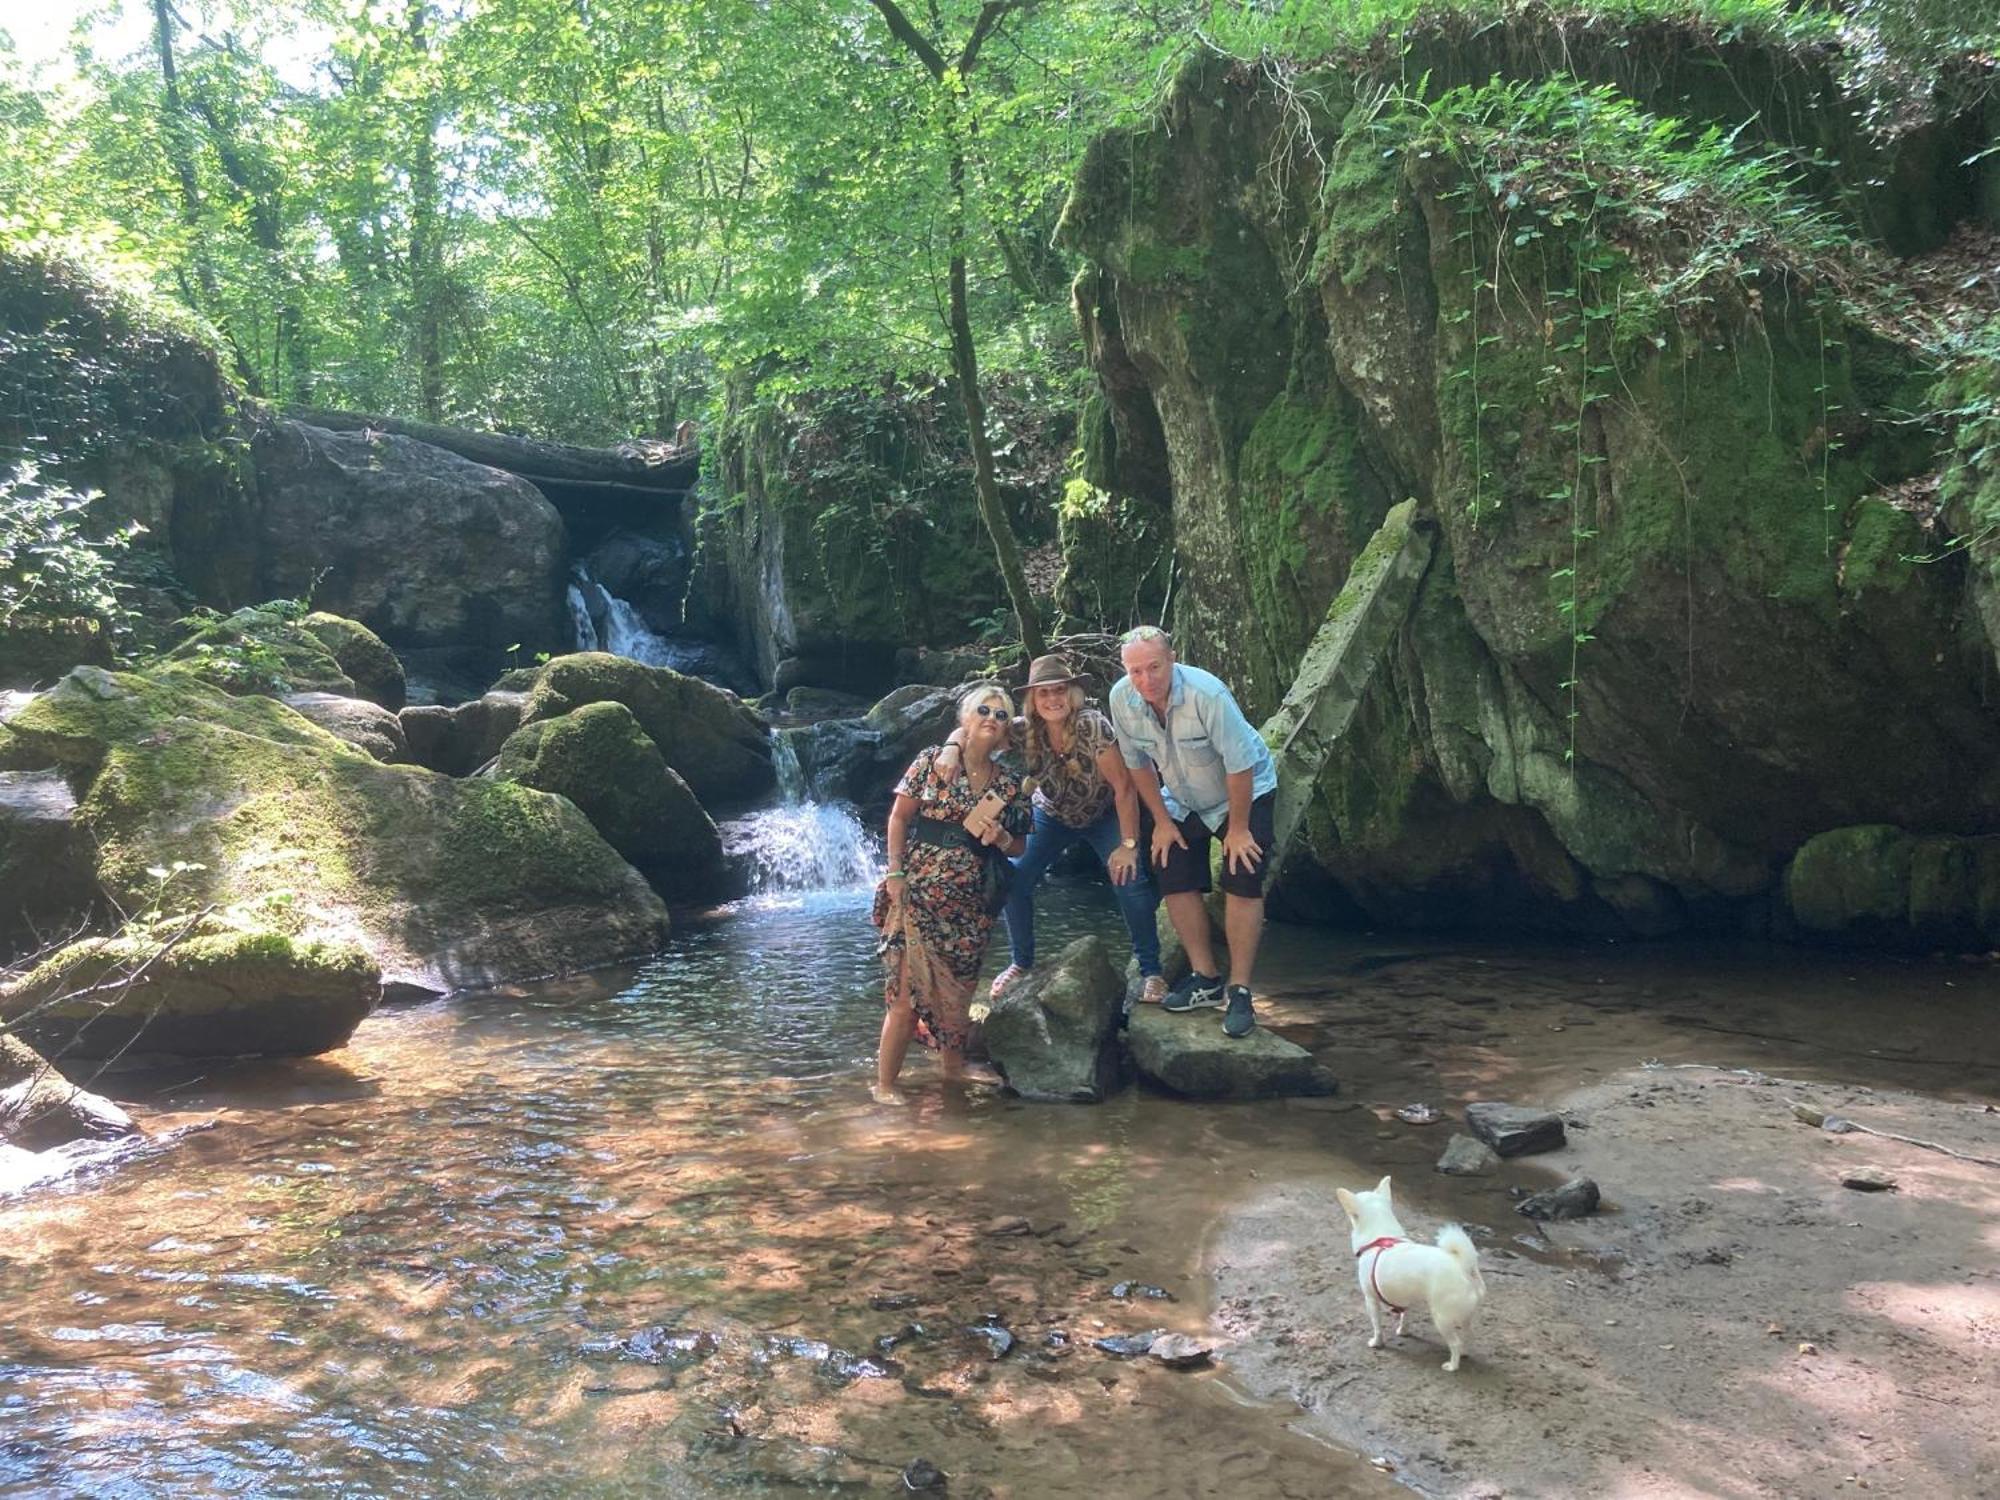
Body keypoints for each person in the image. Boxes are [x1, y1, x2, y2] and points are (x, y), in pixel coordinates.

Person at [963, 653, 1163, 1008]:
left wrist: (1129, 844)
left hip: (1104, 815)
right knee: (1014, 880)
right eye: (1044, 694)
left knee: (1129, 879)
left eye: (1059, 691)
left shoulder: (1093, 725)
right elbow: (974, 727)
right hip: (1052, 815)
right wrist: (950, 750)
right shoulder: (1023, 729)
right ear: (1033, 700)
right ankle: (1021, 963)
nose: (1052, 699)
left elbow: (1124, 787)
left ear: (1071, 694)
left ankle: (1151, 971)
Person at [1107, 625, 1277, 1040]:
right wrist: (1162, 822)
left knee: (1243, 874)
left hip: (1243, 790)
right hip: (1181, 796)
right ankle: (1206, 977)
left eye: (1154, 667)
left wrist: (1237, 830)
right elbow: (1137, 766)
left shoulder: (1208, 694)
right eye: (1135, 671)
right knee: (1170, 865)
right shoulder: (1121, 699)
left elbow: (1240, 766)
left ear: (1172, 659)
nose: (1146, 680)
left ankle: (1239, 991)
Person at [871, 683, 1031, 1104]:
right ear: (964, 718)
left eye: (1001, 715)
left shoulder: (1009, 785)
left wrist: (1000, 838)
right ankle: (885, 1086)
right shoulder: (931, 762)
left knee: (956, 998)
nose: (991, 719)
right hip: (916, 896)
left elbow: (1020, 847)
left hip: (970, 907)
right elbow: (898, 818)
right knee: (903, 998)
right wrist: (896, 872)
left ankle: (952, 1072)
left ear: (1005, 731)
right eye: (984, 710)